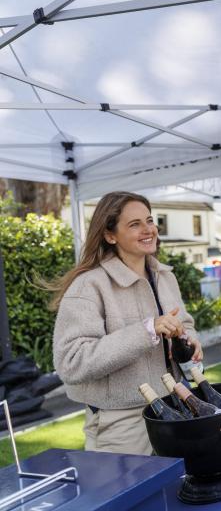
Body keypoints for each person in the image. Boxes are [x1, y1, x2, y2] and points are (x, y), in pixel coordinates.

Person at [49, 191, 203, 455]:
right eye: (135, 224)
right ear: (110, 235)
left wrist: (190, 337)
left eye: (150, 220)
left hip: (177, 410)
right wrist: (147, 330)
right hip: (121, 426)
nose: (148, 230)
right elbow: (71, 363)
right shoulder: (88, 286)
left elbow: (184, 323)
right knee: (132, 497)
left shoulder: (165, 277)